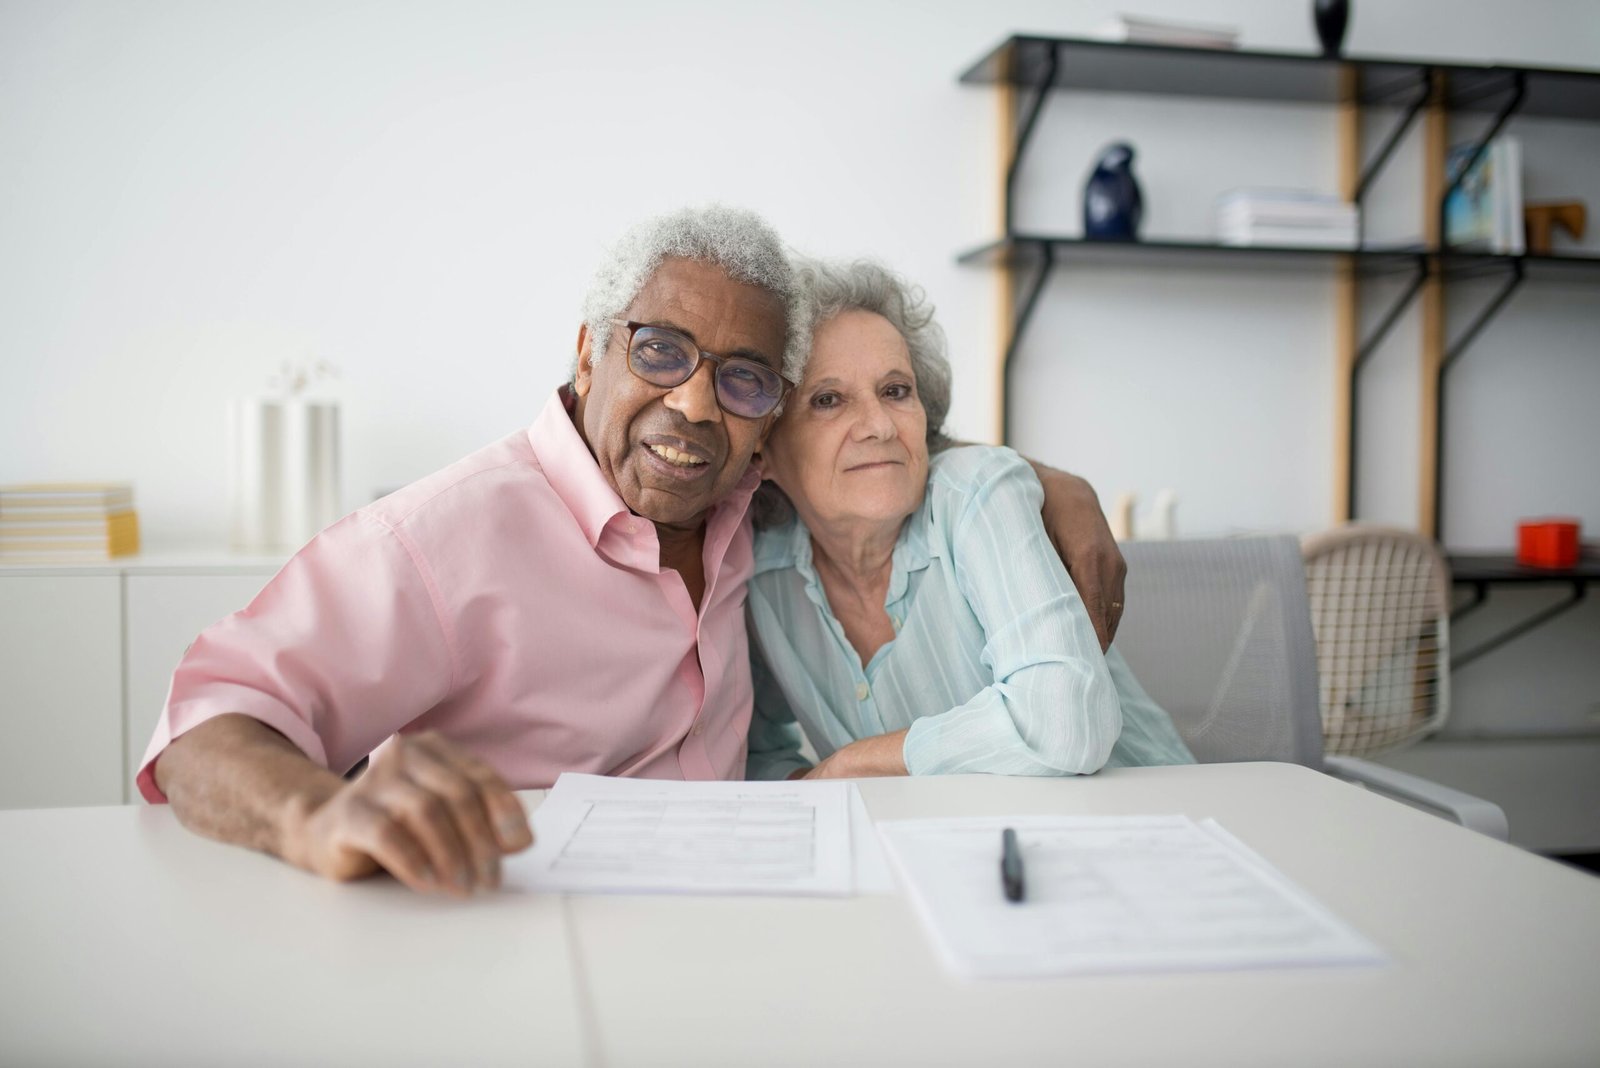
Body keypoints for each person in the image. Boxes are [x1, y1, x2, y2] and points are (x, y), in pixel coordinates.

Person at [142, 206, 1128, 897]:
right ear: (586, 352)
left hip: (763, 919)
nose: (695, 404)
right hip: (517, 931)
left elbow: (861, 438)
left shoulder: (747, 498)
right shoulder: (445, 536)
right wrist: (315, 818)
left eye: (742, 380)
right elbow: (207, 724)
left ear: (765, 419)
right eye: (659, 351)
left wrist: (1035, 479)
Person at [744, 258, 1193, 781]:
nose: (879, 425)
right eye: (828, 400)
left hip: (1153, 822)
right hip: (940, 853)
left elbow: (1066, 725)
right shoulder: (760, 572)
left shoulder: (977, 493)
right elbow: (756, 756)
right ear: (763, 448)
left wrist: (850, 764)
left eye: (895, 391)